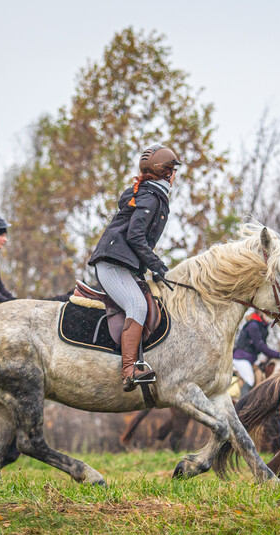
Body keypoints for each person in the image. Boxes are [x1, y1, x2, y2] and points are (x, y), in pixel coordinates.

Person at [88, 144, 181, 391]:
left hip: (123, 265)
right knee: (137, 305)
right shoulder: (151, 197)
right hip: (112, 264)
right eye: (174, 170)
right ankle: (129, 370)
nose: (176, 176)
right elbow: (135, 237)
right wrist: (157, 266)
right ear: (167, 172)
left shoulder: (151, 195)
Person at [233, 311, 280, 395]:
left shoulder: (263, 327)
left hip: (250, 359)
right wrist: (278, 355)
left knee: (260, 378)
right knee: (250, 380)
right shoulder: (253, 325)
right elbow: (260, 346)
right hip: (241, 358)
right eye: (268, 315)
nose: (271, 318)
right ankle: (242, 405)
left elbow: (262, 346)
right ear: (260, 313)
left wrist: (269, 356)